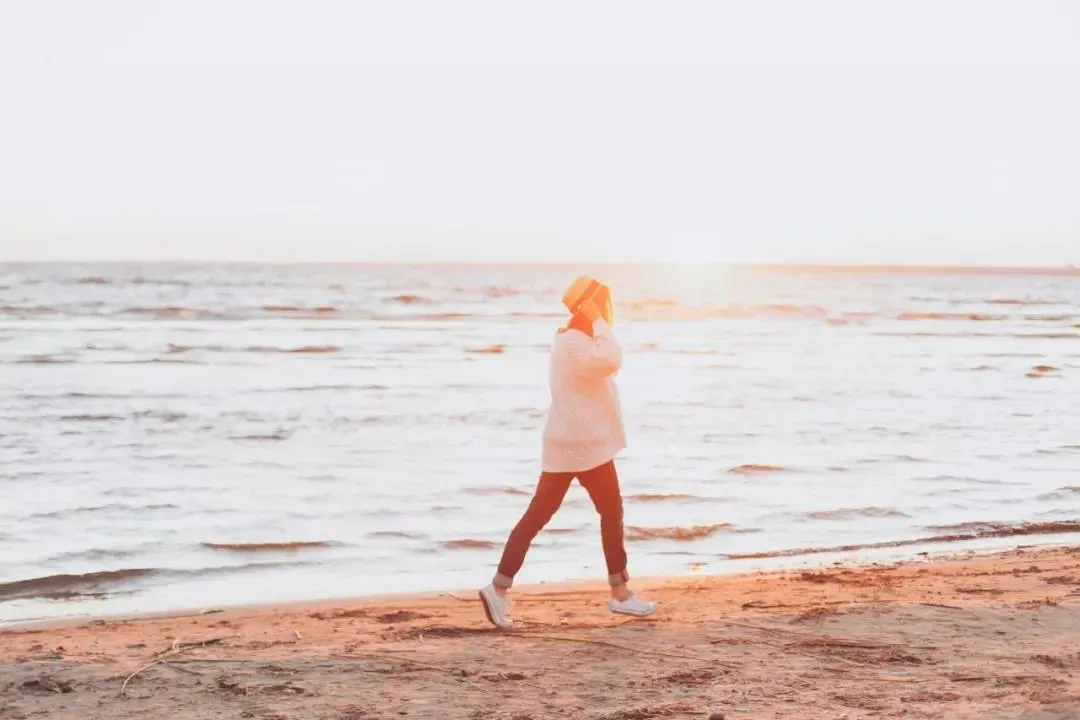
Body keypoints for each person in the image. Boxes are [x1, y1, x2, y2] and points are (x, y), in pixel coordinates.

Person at [478, 275, 658, 629]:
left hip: (569, 445)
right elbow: (611, 359)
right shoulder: (576, 341)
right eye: (603, 303)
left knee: (542, 515)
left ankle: (499, 587)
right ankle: (620, 594)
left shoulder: (569, 339)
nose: (608, 310)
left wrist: (596, 321)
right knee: (609, 512)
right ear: (590, 305)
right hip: (584, 447)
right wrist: (598, 319)